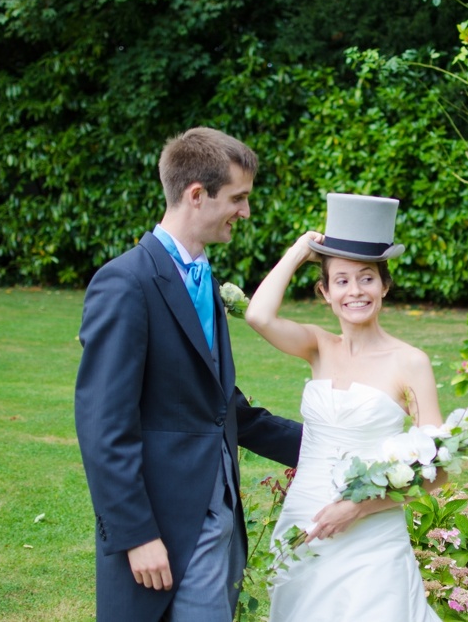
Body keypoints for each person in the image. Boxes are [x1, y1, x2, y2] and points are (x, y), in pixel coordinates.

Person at [74, 127, 302, 622]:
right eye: (238, 198)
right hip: (165, 525)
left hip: (218, 514)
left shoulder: (204, 279)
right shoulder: (125, 283)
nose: (246, 211)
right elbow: (102, 425)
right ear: (196, 195)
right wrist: (136, 534)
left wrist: (323, 443)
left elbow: (221, 406)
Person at [244, 193, 444, 621]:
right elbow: (259, 316)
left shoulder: (410, 362)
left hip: (371, 532)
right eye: (342, 280)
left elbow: (438, 469)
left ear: (385, 286)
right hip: (304, 520)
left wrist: (358, 507)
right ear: (325, 292)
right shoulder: (317, 345)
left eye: (367, 278)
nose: (355, 291)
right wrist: (302, 250)